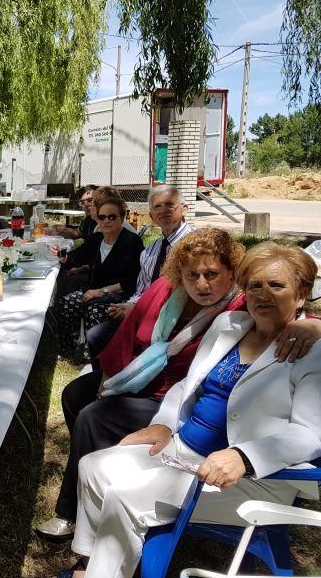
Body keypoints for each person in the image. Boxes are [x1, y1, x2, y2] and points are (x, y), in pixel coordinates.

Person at [38, 229, 321, 543]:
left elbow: (281, 307)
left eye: (212, 274)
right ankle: (95, 496)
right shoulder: (164, 290)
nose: (201, 284)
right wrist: (107, 379)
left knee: (94, 416)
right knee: (76, 394)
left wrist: (312, 322)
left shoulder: (242, 305)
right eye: (192, 274)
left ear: (232, 275)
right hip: (141, 379)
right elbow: (128, 333)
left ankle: (72, 513)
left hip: (169, 394)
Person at [86, 185, 195, 360]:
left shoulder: (197, 245)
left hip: (180, 321)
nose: (163, 210)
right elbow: (142, 290)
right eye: (157, 207)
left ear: (184, 209)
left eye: (170, 204)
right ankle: (107, 382)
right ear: (151, 216)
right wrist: (131, 305)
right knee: (96, 336)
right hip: (147, 315)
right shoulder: (151, 251)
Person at [49, 195, 144, 357]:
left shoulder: (131, 242)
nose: (106, 221)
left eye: (112, 217)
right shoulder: (96, 239)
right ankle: (69, 350)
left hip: (119, 295)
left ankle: (92, 355)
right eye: (102, 217)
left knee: (94, 309)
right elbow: (76, 256)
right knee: (63, 304)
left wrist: (102, 291)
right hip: (93, 291)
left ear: (122, 218)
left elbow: (131, 281)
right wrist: (64, 257)